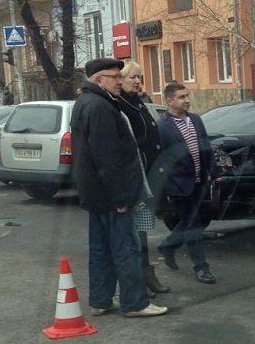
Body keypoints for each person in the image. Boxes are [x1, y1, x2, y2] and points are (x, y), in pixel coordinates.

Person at [71, 58, 167, 318]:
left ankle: (101, 300)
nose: (119, 81)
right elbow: (107, 157)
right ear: (99, 79)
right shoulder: (100, 106)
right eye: (114, 77)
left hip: (96, 195)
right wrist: (121, 196)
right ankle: (135, 303)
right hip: (113, 196)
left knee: (101, 250)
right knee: (126, 249)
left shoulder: (86, 102)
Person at [153, 82, 218, 285]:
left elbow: (205, 146)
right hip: (179, 184)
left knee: (191, 222)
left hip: (199, 181)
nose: (187, 100)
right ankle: (201, 267)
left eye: (187, 96)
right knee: (194, 225)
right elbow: (161, 158)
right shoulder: (163, 126)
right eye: (181, 97)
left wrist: (213, 171)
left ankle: (168, 245)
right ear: (170, 100)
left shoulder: (196, 120)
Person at [118, 61, 170, 295]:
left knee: (142, 230)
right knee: (134, 234)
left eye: (140, 77)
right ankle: (139, 278)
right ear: (122, 80)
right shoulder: (121, 106)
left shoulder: (139, 103)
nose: (138, 81)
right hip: (134, 180)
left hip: (148, 178)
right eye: (132, 77)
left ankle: (146, 274)